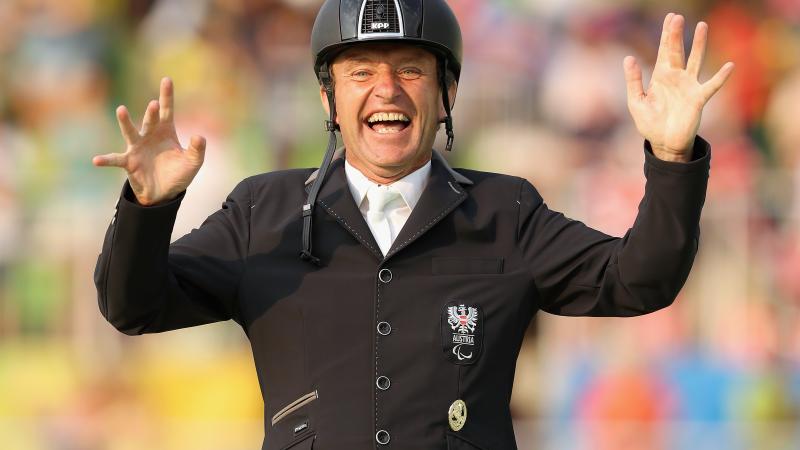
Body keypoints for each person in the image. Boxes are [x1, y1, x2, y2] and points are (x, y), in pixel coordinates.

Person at [92, 1, 734, 448]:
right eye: (361, 72)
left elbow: (640, 280)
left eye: (411, 70)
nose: (387, 90)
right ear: (329, 98)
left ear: (446, 92)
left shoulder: (505, 213)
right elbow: (134, 306)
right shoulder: (265, 212)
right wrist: (147, 209)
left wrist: (673, 159)